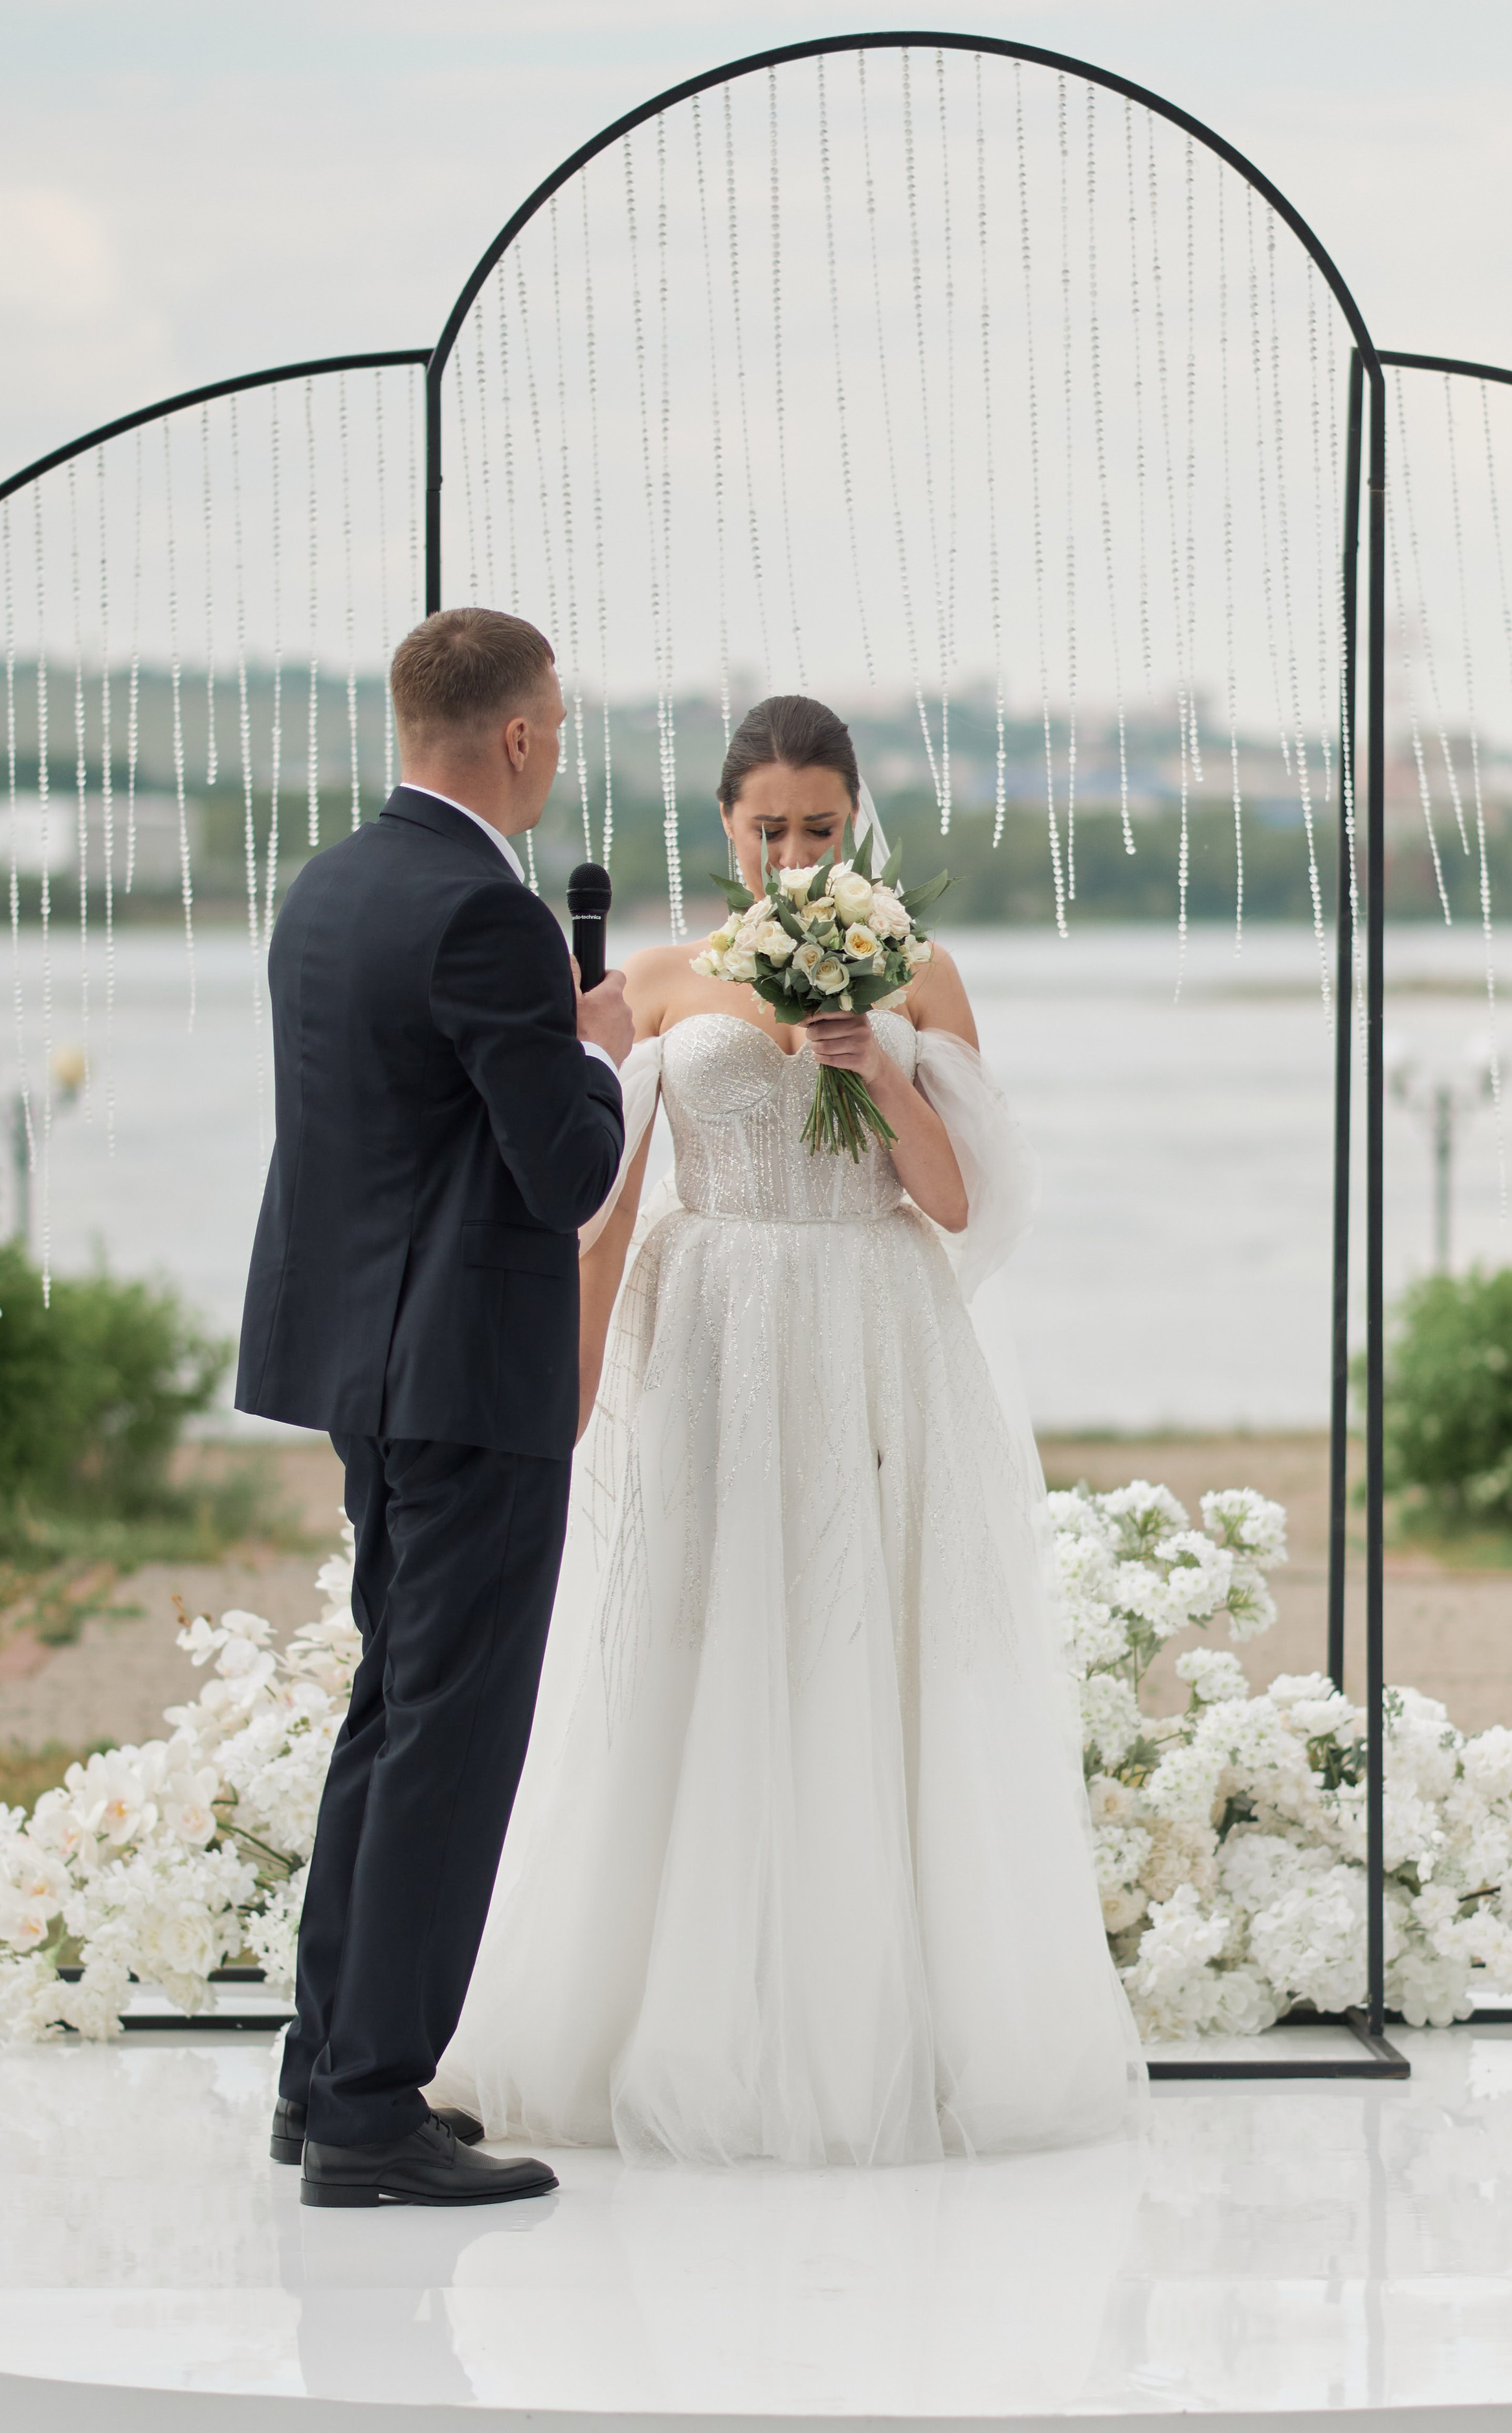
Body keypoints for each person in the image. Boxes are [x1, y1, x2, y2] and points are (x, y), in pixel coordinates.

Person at [434, 693, 1145, 2166]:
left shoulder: (919, 971)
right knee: (695, 1640)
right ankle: (649, 2016)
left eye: (820, 827)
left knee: (861, 1640)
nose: (794, 853)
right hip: (701, 1328)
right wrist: (560, 1396)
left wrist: (871, 1068)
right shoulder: (656, 981)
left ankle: (883, 2028)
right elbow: (601, 1201)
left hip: (870, 1330)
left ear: (854, 820)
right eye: (768, 828)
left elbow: (957, 1204)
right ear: (724, 827)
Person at [236, 607, 632, 2207]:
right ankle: (367, 2112)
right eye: (562, 728)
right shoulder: (483, 914)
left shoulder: (330, 887)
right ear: (522, 735)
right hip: (466, 1379)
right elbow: (570, 1170)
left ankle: (321, 2073)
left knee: (390, 1715)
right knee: (445, 1740)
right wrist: (590, 1048)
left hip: (366, 1367)